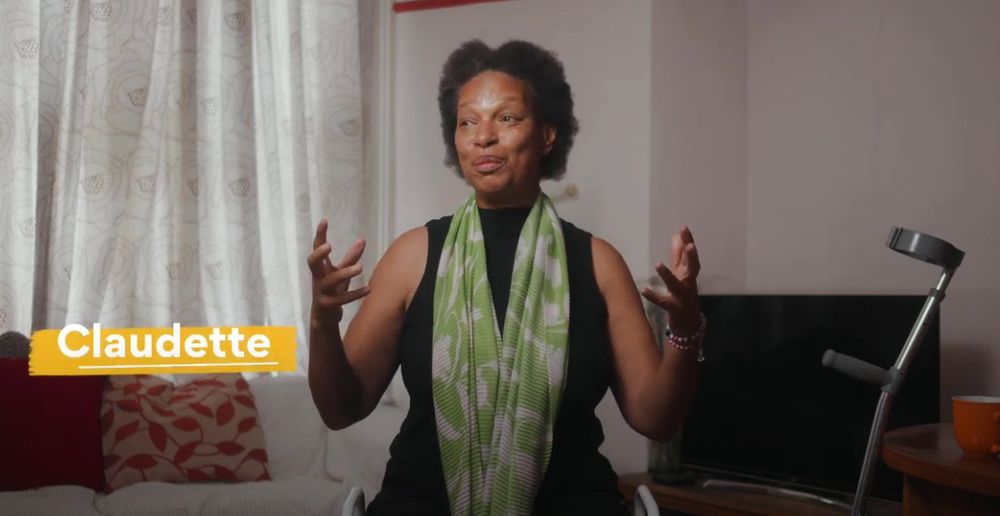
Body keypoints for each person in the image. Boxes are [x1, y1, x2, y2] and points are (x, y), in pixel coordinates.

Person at [307, 39, 702, 516]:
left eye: (507, 118)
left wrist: (685, 330)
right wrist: (322, 323)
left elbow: (656, 419)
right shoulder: (412, 257)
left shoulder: (598, 264)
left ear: (547, 134)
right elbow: (341, 410)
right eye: (467, 122)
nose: (483, 137)